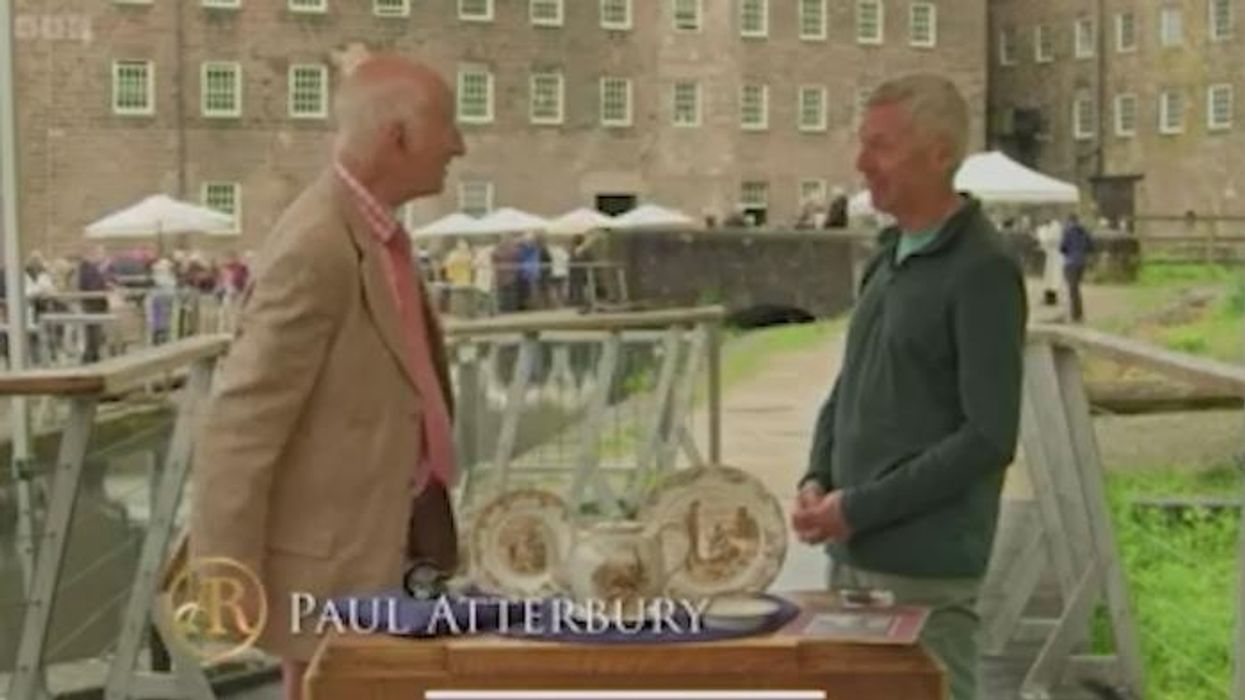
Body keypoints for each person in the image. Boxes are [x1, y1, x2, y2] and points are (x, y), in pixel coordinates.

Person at [189, 54, 464, 700]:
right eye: (446, 127)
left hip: (388, 546)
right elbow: (240, 426)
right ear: (396, 137)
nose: (459, 144)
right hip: (339, 574)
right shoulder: (316, 246)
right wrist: (223, 581)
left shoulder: (374, 231)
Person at [791, 74, 1027, 700]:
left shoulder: (984, 270)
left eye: (882, 146)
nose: (862, 163)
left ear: (940, 153)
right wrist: (818, 475)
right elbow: (851, 382)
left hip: (926, 576)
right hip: (853, 561)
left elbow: (988, 436)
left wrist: (856, 507)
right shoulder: (889, 253)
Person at [1060, 213, 1094, 322]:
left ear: (1070, 221)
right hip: (1081, 262)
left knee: (1073, 290)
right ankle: (1077, 313)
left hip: (1071, 262)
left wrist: (1069, 252)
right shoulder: (1084, 232)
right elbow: (1091, 246)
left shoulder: (1068, 232)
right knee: (1076, 288)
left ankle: (1076, 315)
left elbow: (1062, 247)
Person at [1036, 218, 1063, 306]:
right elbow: (1044, 240)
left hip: (1053, 257)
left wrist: (1044, 239)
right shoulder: (1045, 229)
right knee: (1048, 279)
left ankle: (1052, 298)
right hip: (1049, 257)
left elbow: (1049, 240)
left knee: (1052, 279)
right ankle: (1048, 298)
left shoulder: (1055, 228)